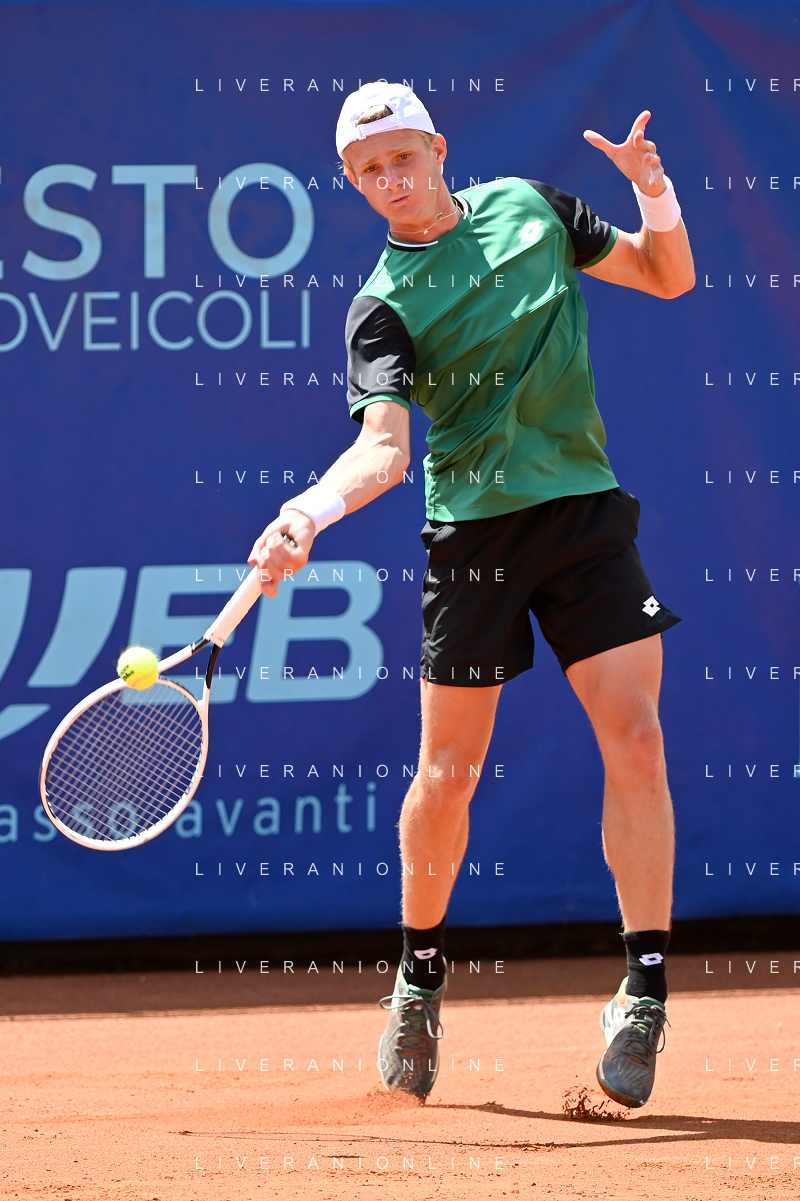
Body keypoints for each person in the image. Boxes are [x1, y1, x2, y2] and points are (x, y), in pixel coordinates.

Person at [248, 82, 695, 1110]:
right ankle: (418, 975)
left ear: (438, 148)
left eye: (402, 157)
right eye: (368, 171)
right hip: (473, 537)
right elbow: (384, 450)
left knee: (636, 741)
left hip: (582, 515)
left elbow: (665, 275)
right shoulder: (381, 307)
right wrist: (307, 512)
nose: (390, 180)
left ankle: (642, 991)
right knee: (447, 774)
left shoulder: (533, 209)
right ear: (353, 183)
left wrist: (653, 191)